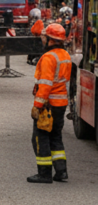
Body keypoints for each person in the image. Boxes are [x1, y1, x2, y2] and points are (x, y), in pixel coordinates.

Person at [28, 22, 72, 183]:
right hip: (61, 104)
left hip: (48, 105)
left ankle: (44, 173)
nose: (42, 39)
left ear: (51, 40)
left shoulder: (48, 57)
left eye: (44, 37)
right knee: (55, 136)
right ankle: (61, 172)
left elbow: (45, 84)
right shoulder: (65, 55)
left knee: (40, 137)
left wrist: (37, 106)